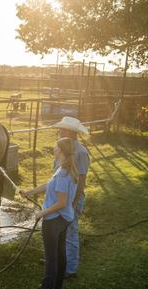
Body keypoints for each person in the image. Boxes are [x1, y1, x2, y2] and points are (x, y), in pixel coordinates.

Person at [20, 137, 79, 289]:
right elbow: (49, 185)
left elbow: (60, 202)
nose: (53, 149)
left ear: (60, 150)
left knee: (52, 258)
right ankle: (56, 288)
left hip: (54, 221)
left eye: (55, 147)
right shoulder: (67, 169)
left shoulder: (62, 174)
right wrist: (29, 192)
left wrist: (42, 213)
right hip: (65, 218)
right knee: (60, 255)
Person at [52, 116, 90, 278]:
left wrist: (73, 204)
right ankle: (57, 259)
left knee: (70, 231)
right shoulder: (62, 147)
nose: (58, 131)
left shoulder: (81, 152)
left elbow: (81, 181)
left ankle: (70, 268)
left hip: (72, 198)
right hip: (60, 196)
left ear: (69, 131)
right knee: (57, 230)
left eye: (61, 129)